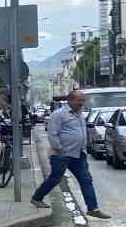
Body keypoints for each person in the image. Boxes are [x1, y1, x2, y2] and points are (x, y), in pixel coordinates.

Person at [32, 88, 109, 219]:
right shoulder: (59, 114)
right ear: (70, 100)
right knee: (55, 179)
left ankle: (93, 208)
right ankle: (37, 197)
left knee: (86, 180)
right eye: (79, 100)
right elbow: (52, 134)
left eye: (83, 100)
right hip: (62, 154)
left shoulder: (79, 114)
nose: (82, 103)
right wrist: (59, 149)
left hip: (78, 154)